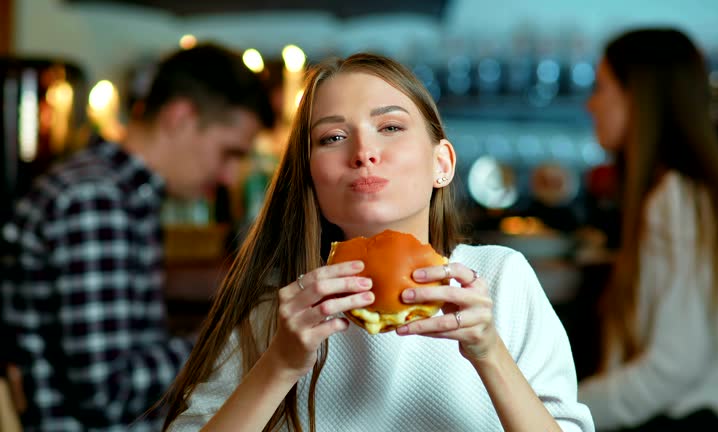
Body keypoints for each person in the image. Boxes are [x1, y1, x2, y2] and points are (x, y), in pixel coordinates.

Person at [160, 52, 594, 432]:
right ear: (310, 176)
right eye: (332, 137)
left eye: (390, 126)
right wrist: (280, 364)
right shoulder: (276, 311)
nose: (364, 150)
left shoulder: (502, 280)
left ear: (441, 162)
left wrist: (489, 352)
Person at [0, 43, 275, 431]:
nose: (230, 176)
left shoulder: (116, 193)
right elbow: (107, 393)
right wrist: (242, 338)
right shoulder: (94, 200)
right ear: (180, 117)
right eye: (228, 152)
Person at [578, 28, 718, 431]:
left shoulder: (677, 200)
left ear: (639, 97)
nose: (590, 104)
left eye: (601, 87)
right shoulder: (685, 195)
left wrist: (563, 409)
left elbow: (675, 364)